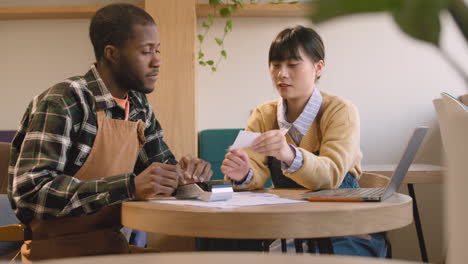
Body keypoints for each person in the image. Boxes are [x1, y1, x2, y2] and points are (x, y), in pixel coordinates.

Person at [8, 3, 212, 262]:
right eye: (146, 51)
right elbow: (31, 194)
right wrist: (128, 186)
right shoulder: (64, 101)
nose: (157, 60)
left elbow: (163, 169)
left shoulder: (138, 106)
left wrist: (187, 177)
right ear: (112, 54)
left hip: (112, 249)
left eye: (158, 50)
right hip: (54, 255)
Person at [220, 25, 386, 257]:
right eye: (276, 65)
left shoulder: (340, 111)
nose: (282, 74)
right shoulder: (263, 114)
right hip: (292, 226)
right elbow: (254, 169)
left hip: (347, 227)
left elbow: (332, 174)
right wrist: (243, 173)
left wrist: (287, 153)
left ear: (318, 68)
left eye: (292, 65)